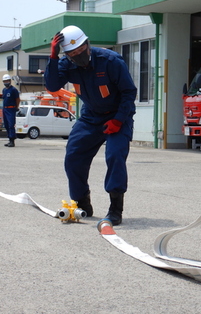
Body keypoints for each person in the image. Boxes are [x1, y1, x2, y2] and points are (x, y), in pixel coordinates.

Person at [45, 25, 137, 225]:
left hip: (117, 115)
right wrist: (53, 57)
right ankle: (82, 203)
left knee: (114, 156)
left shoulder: (110, 61)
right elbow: (52, 86)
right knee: (73, 155)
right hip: (90, 116)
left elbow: (129, 93)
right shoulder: (67, 63)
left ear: (87, 44)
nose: (78, 56)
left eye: (80, 50)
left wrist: (118, 120)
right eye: (72, 53)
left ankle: (115, 209)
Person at [1, 74, 20, 147]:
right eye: (4, 81)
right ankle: (9, 138)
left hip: (11, 108)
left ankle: (12, 140)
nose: (6, 82)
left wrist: (16, 107)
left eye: (7, 81)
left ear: (10, 81)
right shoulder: (4, 90)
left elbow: (17, 99)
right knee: (6, 125)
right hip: (5, 108)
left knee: (11, 124)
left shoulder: (13, 90)